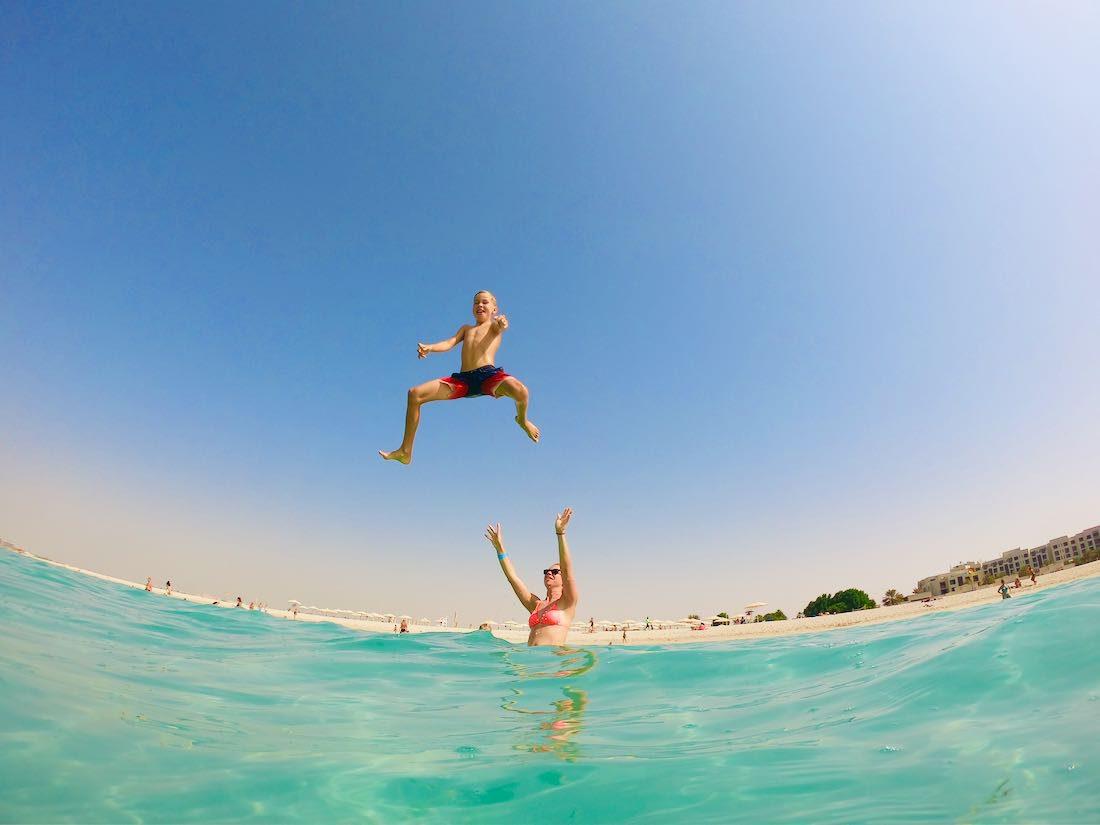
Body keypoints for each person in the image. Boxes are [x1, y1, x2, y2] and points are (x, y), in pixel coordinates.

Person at [380, 291, 540, 464]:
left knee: (521, 391)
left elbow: (501, 326)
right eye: (476, 302)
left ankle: (522, 420)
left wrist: (502, 323)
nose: (480, 305)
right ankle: (405, 451)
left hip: (488, 377)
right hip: (463, 381)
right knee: (414, 394)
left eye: (485, 302)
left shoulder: (494, 325)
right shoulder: (466, 329)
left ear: (494, 308)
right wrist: (430, 348)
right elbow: (449, 343)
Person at [486, 507, 577, 646]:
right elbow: (513, 579)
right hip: (532, 662)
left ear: (563, 579)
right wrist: (500, 550)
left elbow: (567, 570)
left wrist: (560, 533)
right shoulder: (535, 604)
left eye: (555, 572)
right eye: (547, 571)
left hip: (554, 663)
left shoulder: (568, 602)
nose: (549, 573)